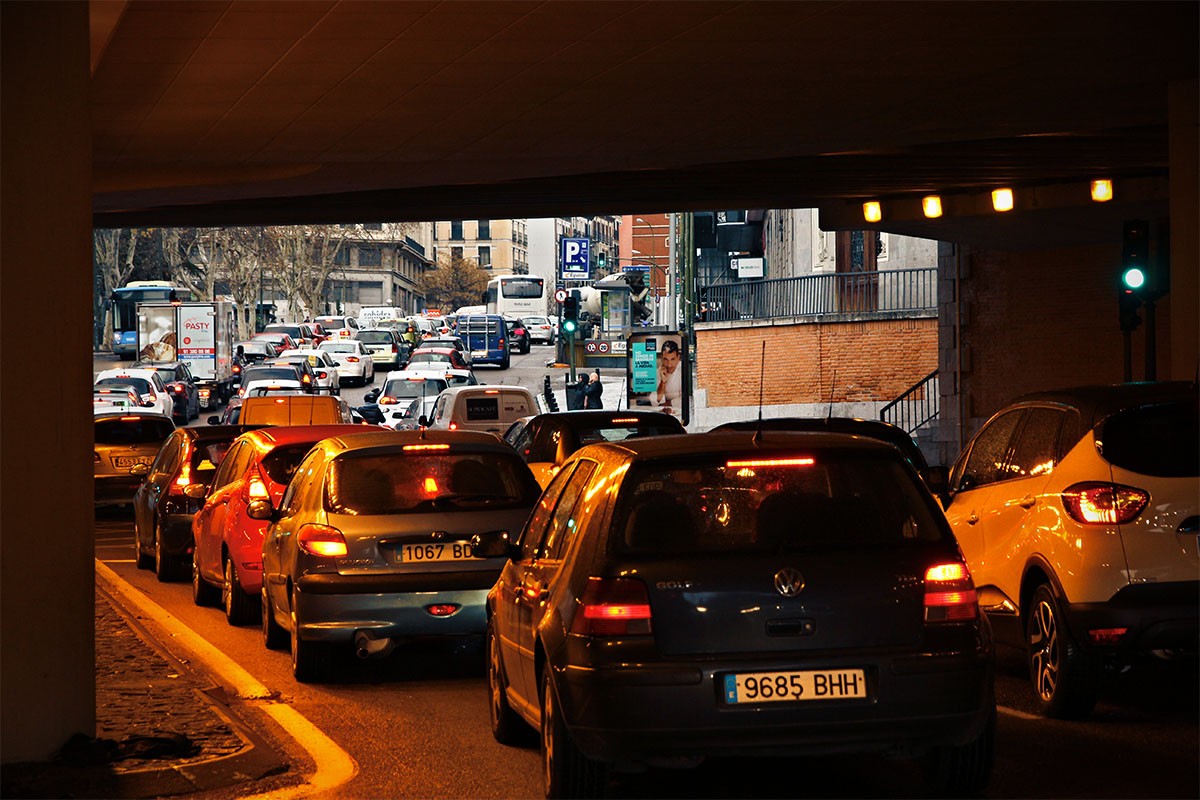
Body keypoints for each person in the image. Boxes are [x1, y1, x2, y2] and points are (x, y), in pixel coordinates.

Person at [656, 339, 682, 413]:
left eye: (672, 359)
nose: (669, 364)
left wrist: (668, 403)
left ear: (678, 358)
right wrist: (663, 382)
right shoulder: (658, 371)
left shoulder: (683, 370)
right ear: (661, 357)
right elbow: (657, 400)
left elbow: (686, 399)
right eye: (665, 359)